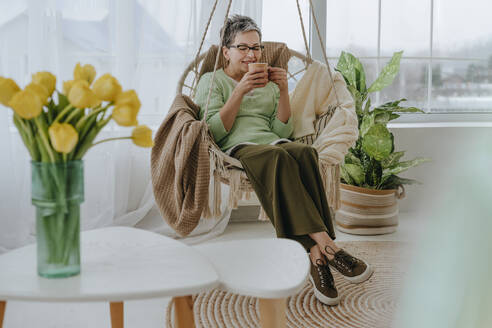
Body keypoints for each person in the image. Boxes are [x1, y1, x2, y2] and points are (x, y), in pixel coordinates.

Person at [194, 15, 372, 306]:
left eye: (256, 48)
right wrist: (239, 91)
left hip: (272, 143)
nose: (252, 55)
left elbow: (283, 131)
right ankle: (327, 244)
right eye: (243, 48)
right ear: (225, 51)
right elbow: (213, 131)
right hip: (237, 148)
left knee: (304, 152)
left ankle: (316, 258)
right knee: (279, 156)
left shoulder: (268, 83)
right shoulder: (211, 81)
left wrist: (284, 90)